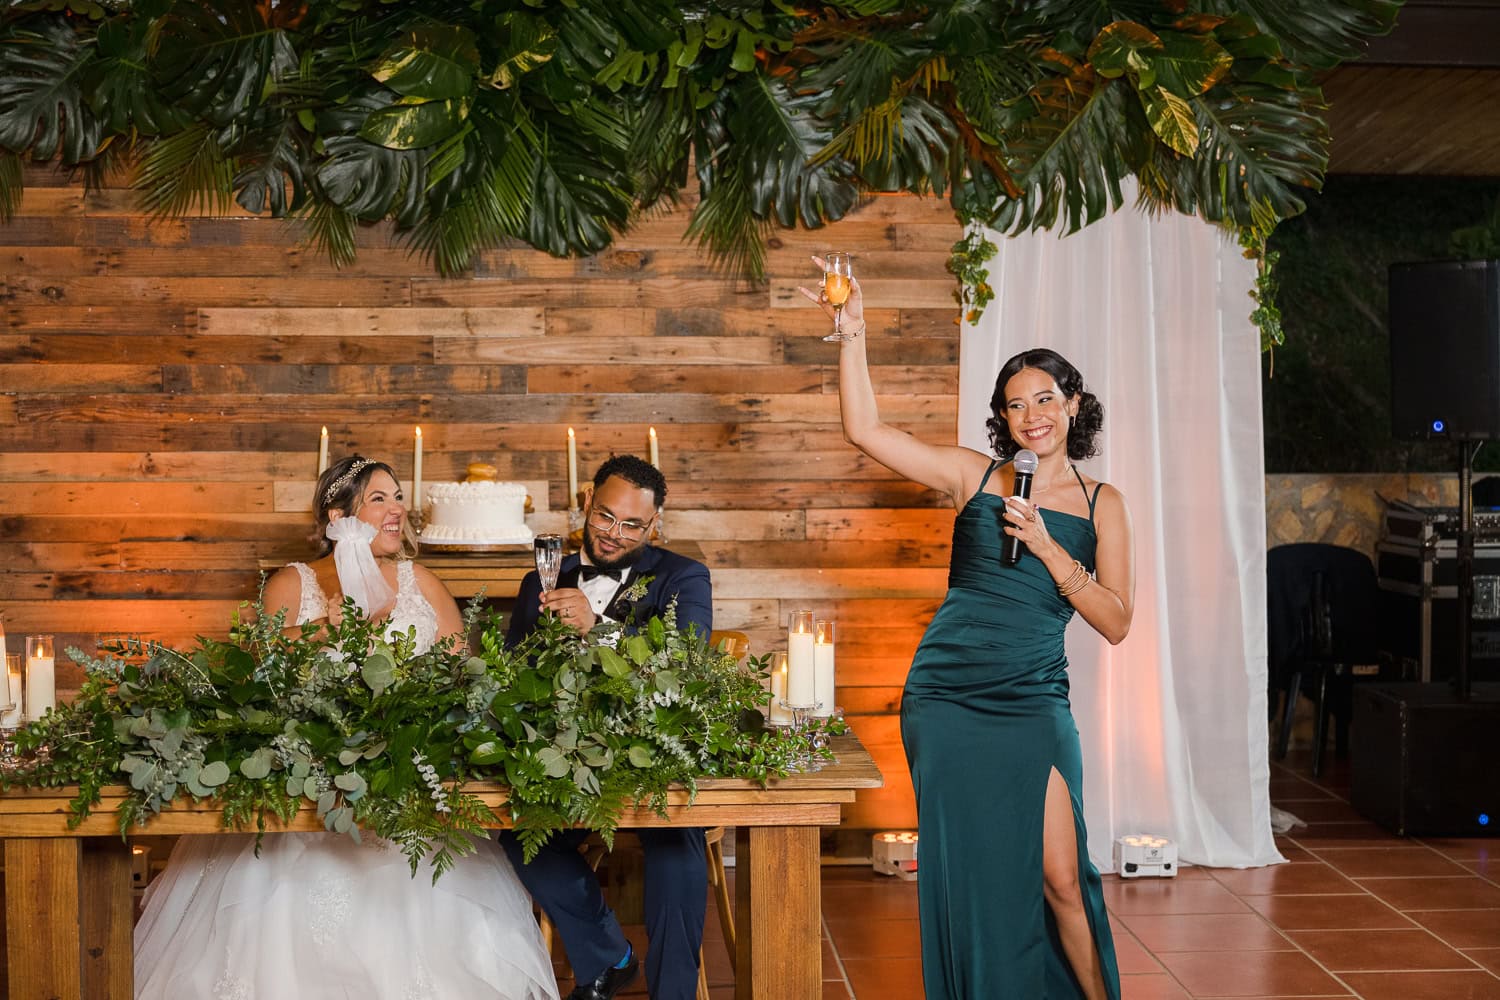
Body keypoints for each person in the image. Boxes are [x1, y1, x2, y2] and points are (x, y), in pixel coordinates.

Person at [801, 263, 1135, 999]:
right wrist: (851, 329)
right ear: (1004, 421)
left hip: (1032, 699)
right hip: (947, 696)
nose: (1032, 415)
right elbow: (866, 430)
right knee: (973, 877)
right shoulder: (974, 478)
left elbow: (1116, 621)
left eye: (1046, 398)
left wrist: (1049, 548)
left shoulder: (1103, 503)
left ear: (1073, 405)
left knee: (1061, 878)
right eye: (1016, 406)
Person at [133, 455, 559, 1000]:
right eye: (379, 498)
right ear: (338, 515)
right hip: (312, 788)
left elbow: (464, 678)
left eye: (399, 497)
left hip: (409, 784)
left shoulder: (421, 582)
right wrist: (325, 627)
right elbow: (256, 673)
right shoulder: (294, 582)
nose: (397, 509)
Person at [501, 454, 712, 1000]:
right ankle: (610, 957)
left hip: (650, 757)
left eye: (632, 525)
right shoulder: (540, 580)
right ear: (586, 504)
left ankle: (673, 994)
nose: (614, 534)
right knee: (520, 838)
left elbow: (684, 668)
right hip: (564, 762)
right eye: (604, 516)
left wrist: (599, 630)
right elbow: (512, 675)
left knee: (674, 848)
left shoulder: (683, 576)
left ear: (654, 526)